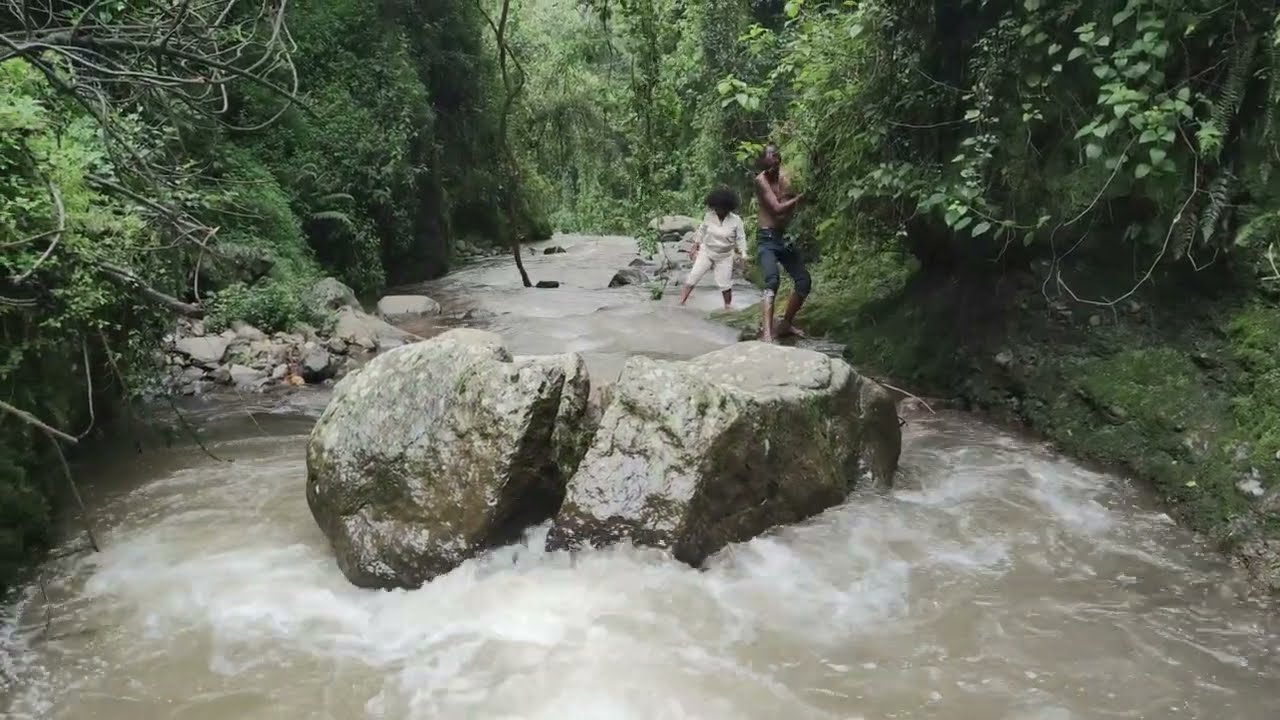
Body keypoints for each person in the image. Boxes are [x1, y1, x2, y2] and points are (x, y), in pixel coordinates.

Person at [753, 143, 812, 342]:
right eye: (767, 162)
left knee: (803, 281)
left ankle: (786, 322)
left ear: (779, 160)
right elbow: (777, 210)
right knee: (772, 280)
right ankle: (767, 334)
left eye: (774, 160)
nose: (771, 165)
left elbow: (786, 209)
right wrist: (799, 199)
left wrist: (796, 195)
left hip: (784, 237)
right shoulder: (761, 181)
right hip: (766, 238)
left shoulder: (787, 177)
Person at [678, 187, 747, 310]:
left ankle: (728, 307)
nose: (718, 210)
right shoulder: (709, 216)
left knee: (725, 285)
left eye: (721, 208)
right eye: (716, 208)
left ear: (728, 207)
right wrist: (695, 246)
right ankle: (681, 303)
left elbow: (741, 238)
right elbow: (702, 231)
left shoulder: (736, 221)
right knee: (693, 277)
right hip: (707, 252)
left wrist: (743, 254)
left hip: (725, 255)